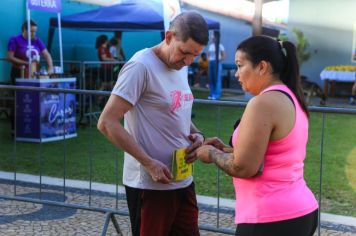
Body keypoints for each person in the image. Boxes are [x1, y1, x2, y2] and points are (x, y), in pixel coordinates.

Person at [97, 11, 209, 236]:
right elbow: (107, 122)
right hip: (149, 185)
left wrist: (197, 135)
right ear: (169, 37)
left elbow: (176, 113)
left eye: (195, 56)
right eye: (185, 53)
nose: (188, 61)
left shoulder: (181, 65)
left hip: (183, 180)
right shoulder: (140, 66)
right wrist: (149, 163)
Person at [196, 35, 319, 236]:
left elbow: (244, 167)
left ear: (262, 67)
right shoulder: (291, 97)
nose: (236, 74)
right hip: (299, 211)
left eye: (240, 65)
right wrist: (226, 150)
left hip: (270, 217)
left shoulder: (262, 103)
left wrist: (210, 153)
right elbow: (270, 157)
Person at [7, 20, 54, 133]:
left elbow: (46, 54)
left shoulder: (37, 41)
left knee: (33, 100)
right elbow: (10, 57)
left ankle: (32, 126)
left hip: (33, 74)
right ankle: (15, 128)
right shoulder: (14, 40)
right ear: (24, 30)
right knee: (18, 100)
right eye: (31, 31)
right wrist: (25, 63)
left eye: (35, 31)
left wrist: (50, 67)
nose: (34, 34)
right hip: (18, 73)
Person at [207, 31, 225, 100]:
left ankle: (217, 95)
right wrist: (209, 60)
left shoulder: (220, 46)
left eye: (213, 36)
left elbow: (223, 56)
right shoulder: (211, 46)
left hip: (217, 63)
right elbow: (208, 54)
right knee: (211, 79)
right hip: (211, 62)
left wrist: (218, 60)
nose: (212, 38)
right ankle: (212, 94)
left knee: (217, 79)